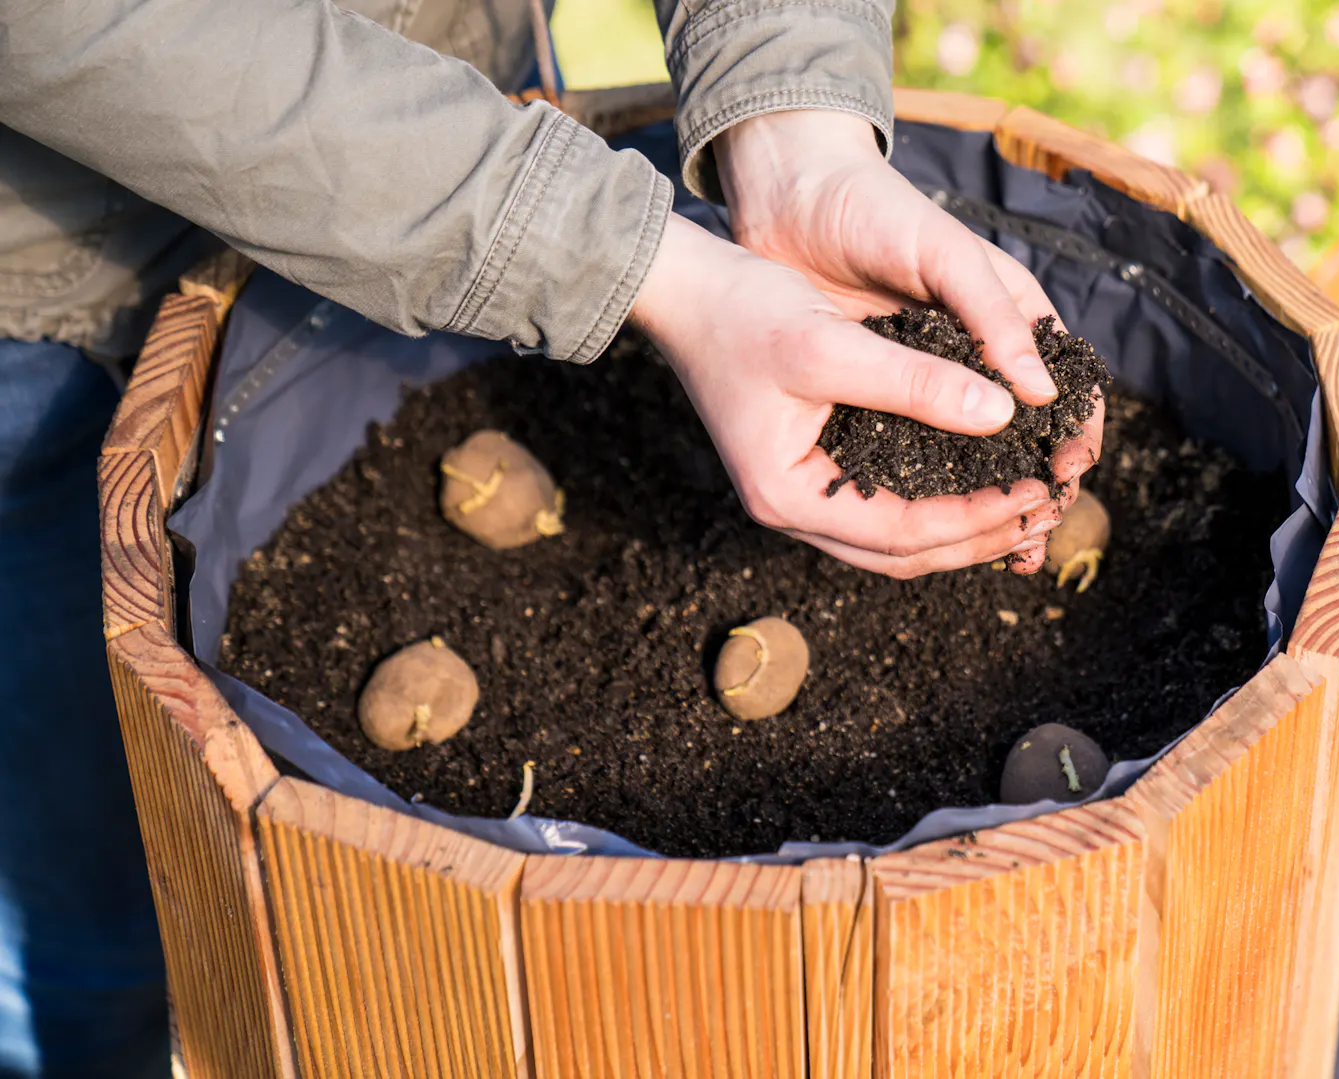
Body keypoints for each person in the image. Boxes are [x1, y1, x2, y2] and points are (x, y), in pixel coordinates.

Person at [0, 0, 1102, 1070]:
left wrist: (793, 121)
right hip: (55, 287)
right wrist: (639, 268)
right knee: (93, 931)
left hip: (456, 103)